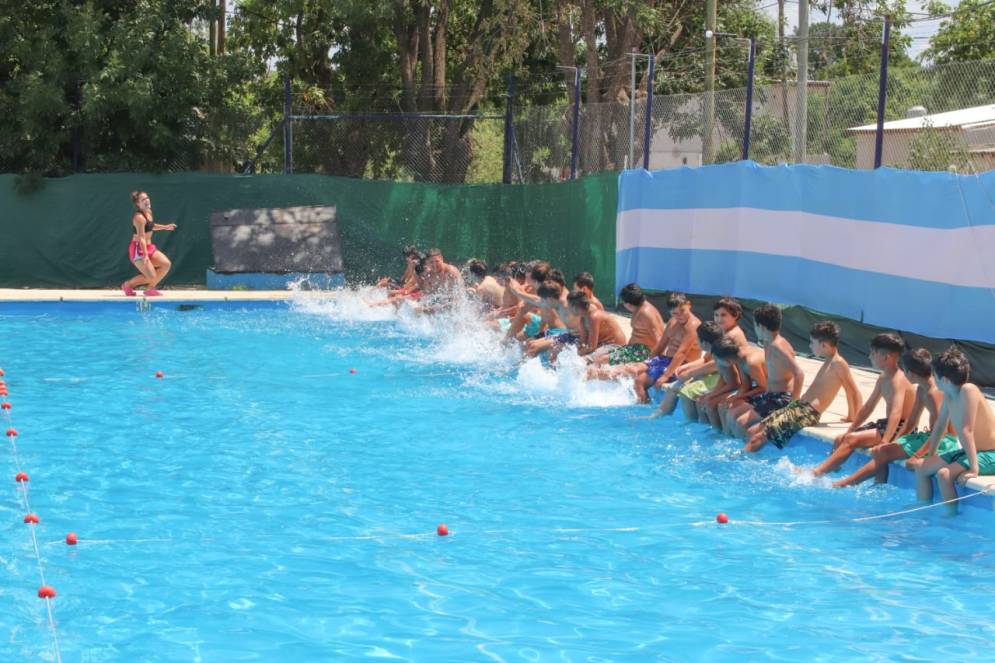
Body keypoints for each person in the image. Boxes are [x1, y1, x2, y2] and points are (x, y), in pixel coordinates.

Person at [835, 348, 959, 488]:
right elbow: (912, 421)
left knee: (883, 452)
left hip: (944, 442)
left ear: (910, 373)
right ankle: (878, 486)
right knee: (880, 449)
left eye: (904, 370)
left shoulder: (933, 393)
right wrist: (894, 441)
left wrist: (918, 455)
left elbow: (941, 431)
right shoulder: (922, 388)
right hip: (930, 436)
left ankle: (846, 483)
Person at [805, 333, 916, 477]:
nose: (869, 356)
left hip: (900, 429)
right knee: (841, 438)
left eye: (873, 353)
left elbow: (896, 413)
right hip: (888, 425)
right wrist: (851, 428)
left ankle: (816, 473)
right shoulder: (884, 377)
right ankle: (830, 472)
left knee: (851, 440)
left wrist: (885, 441)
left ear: (886, 357)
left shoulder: (898, 381)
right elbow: (868, 407)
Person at [745, 321, 863, 452]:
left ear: (824, 345)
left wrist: (854, 419)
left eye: (812, 343)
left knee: (758, 439)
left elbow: (853, 392)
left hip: (807, 413)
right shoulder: (830, 361)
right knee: (753, 431)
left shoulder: (838, 363)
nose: (810, 346)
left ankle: (741, 462)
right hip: (799, 408)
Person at [912, 347, 995, 512]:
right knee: (922, 467)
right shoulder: (949, 395)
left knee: (944, 475)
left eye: (934, 375)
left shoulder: (968, 390)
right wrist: (931, 455)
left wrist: (973, 468)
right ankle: (923, 508)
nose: (933, 379)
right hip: (971, 452)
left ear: (944, 379)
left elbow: (966, 431)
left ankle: (950, 516)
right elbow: (940, 426)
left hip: (990, 454)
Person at [598, 293, 701, 403]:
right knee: (631, 369)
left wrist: (666, 376)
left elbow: (682, 353)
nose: (680, 316)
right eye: (675, 313)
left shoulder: (692, 325)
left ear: (689, 305)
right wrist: (649, 361)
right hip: (665, 360)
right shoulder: (673, 321)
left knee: (638, 381)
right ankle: (594, 377)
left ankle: (644, 410)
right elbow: (661, 345)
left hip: (681, 364)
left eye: (683, 311)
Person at [723, 303, 805, 440]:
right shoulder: (768, 343)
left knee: (741, 423)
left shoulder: (778, 346)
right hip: (769, 395)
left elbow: (799, 373)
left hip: (782, 398)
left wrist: (793, 405)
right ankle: (734, 446)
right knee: (731, 412)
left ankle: (748, 454)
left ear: (760, 326)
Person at [662, 297, 748, 420]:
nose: (718, 319)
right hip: (719, 373)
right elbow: (706, 359)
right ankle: (662, 413)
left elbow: (717, 364)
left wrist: (691, 372)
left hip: (728, 376)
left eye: (723, 315)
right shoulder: (721, 332)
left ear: (735, 316)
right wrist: (687, 367)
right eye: (716, 315)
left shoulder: (732, 335)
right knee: (677, 385)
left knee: (686, 391)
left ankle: (690, 423)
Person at [587, 284, 664, 370]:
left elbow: (659, 339)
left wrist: (653, 362)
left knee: (601, 360)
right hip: (634, 349)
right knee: (600, 358)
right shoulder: (642, 307)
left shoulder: (645, 313)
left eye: (623, 302)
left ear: (629, 304)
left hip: (642, 351)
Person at [121, 191, 176, 297]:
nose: (147, 201)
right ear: (138, 204)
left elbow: (150, 225)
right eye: (143, 200)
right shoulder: (138, 217)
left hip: (149, 247)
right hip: (138, 249)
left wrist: (165, 227)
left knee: (166, 264)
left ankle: (150, 289)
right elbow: (141, 237)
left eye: (147, 198)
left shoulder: (149, 212)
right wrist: (145, 256)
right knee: (151, 276)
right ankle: (127, 285)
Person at [707, 337, 768, 434]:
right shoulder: (739, 357)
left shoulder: (751, 362)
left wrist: (739, 397)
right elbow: (745, 384)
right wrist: (735, 397)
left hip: (771, 391)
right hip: (761, 388)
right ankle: (725, 435)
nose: (717, 362)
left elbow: (764, 387)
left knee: (732, 412)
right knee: (723, 405)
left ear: (728, 360)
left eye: (718, 360)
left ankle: (729, 437)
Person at [567, 290, 626, 357]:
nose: (568, 309)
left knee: (585, 360)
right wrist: (578, 349)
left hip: (616, 346)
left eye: (569, 306)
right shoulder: (583, 317)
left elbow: (591, 347)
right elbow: (583, 340)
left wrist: (578, 354)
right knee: (573, 353)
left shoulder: (594, 317)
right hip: (602, 344)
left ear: (575, 307)